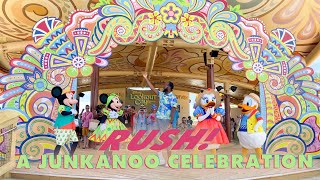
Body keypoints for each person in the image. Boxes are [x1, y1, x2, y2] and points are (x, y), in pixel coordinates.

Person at [143, 73, 178, 166]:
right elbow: (152, 88)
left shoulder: (173, 97)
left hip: (165, 120)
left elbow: (173, 109)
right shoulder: (162, 94)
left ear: (169, 87)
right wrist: (146, 79)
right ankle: (161, 159)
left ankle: (169, 161)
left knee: (166, 140)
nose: (164, 85)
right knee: (154, 138)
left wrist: (171, 122)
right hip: (158, 119)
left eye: (165, 84)